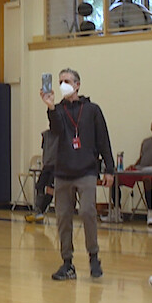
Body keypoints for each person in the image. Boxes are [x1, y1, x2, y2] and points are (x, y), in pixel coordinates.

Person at [40, 69, 115, 280]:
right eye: (60, 81)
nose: (63, 84)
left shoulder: (92, 110)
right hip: (63, 172)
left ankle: (93, 256)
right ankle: (67, 262)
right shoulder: (59, 110)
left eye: (68, 81)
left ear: (78, 84)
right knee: (63, 216)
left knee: (87, 211)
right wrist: (51, 106)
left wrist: (109, 168)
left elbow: (103, 140)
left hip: (86, 170)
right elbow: (56, 131)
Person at [25, 129, 59, 223]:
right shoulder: (46, 135)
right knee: (39, 186)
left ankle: (41, 212)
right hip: (47, 165)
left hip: (57, 166)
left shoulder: (62, 133)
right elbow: (45, 151)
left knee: (50, 189)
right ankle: (37, 210)